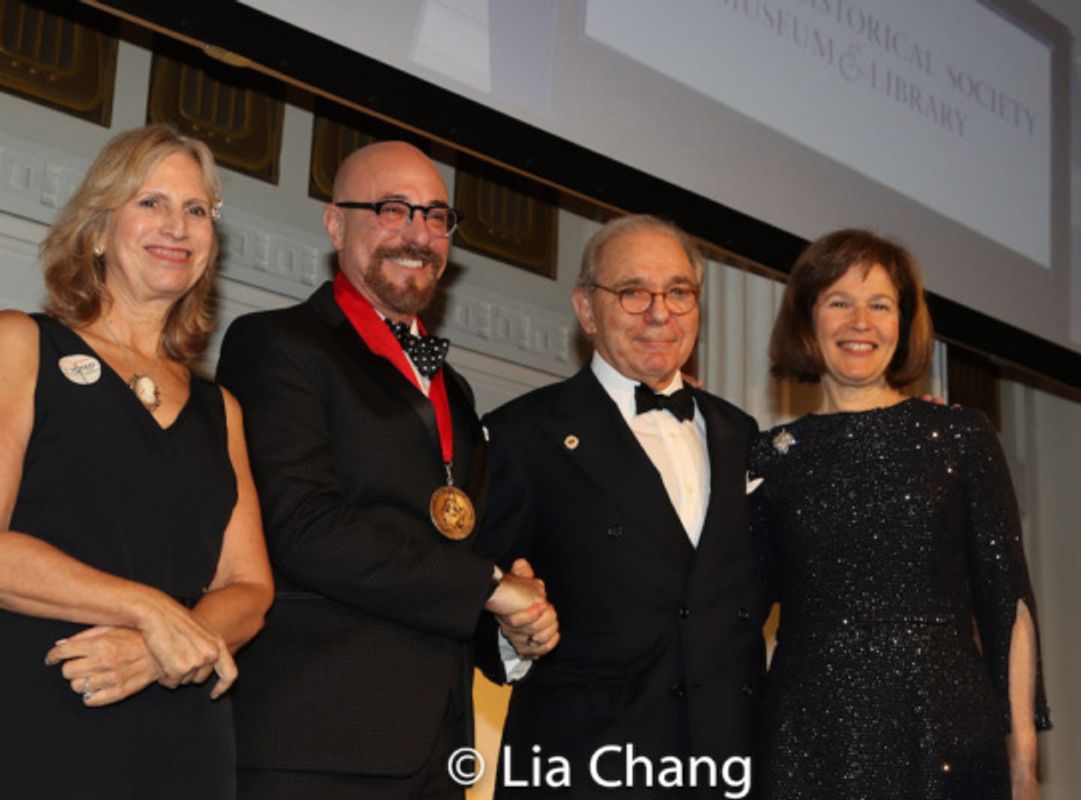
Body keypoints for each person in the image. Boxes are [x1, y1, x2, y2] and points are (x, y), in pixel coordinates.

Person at [217, 140, 558, 799]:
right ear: (334, 223)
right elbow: (302, 526)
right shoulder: (276, 345)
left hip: (439, 753)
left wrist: (512, 628)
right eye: (393, 209)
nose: (418, 234)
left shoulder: (452, 389)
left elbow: (456, 549)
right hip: (313, 746)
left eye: (436, 216)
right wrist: (488, 585)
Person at [0, 124, 274, 799]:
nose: (175, 226)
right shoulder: (21, 346)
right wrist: (149, 611)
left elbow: (250, 588)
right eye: (150, 202)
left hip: (184, 726)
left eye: (196, 210)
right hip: (42, 708)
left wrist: (161, 649)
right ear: (96, 231)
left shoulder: (223, 411)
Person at [750, 228, 1051, 800]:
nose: (860, 321)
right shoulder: (770, 455)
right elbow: (736, 606)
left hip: (944, 731)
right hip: (808, 737)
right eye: (839, 302)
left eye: (879, 305)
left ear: (902, 323)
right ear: (807, 322)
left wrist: (1025, 764)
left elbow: (1007, 603)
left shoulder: (960, 437)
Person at [476, 215, 765, 799]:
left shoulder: (742, 435)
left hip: (725, 771)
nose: (660, 312)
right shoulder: (522, 434)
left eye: (678, 291)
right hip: (583, 772)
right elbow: (466, 597)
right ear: (586, 309)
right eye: (633, 292)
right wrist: (513, 633)